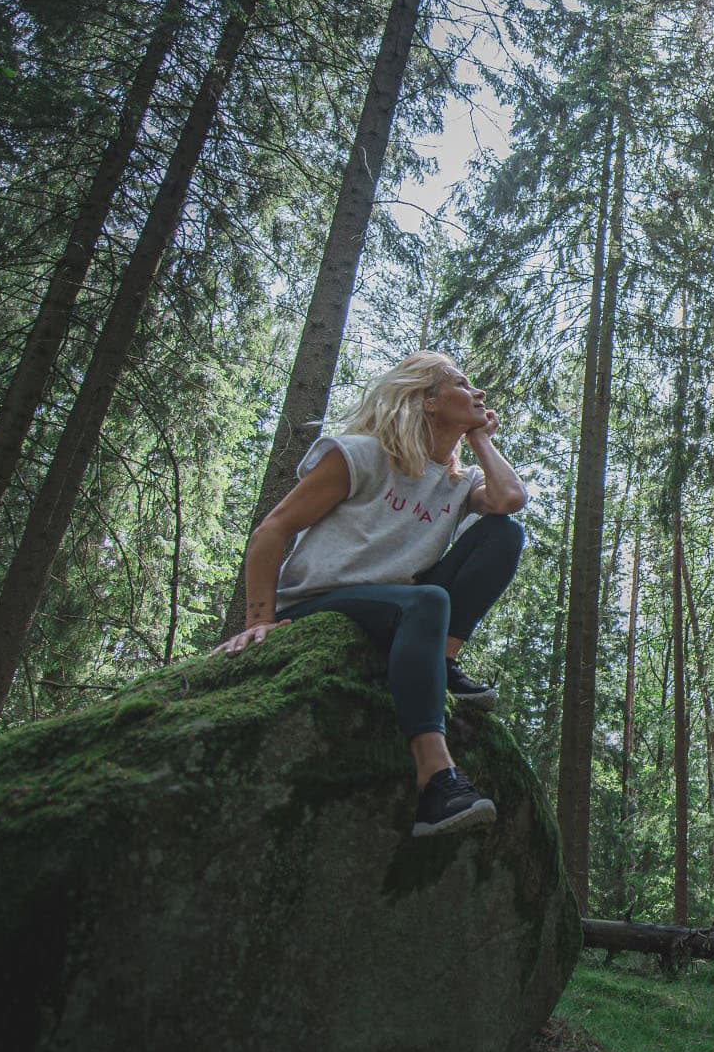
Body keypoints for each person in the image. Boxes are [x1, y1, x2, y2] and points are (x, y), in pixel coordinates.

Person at [214, 352, 529, 838]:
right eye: (464, 384)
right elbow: (272, 531)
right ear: (427, 400)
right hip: (323, 599)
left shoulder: (456, 480)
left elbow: (508, 499)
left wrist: (479, 436)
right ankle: (435, 782)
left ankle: (440, 663)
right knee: (428, 602)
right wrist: (259, 619)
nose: (479, 394)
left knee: (503, 533)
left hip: (401, 610)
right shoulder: (361, 454)